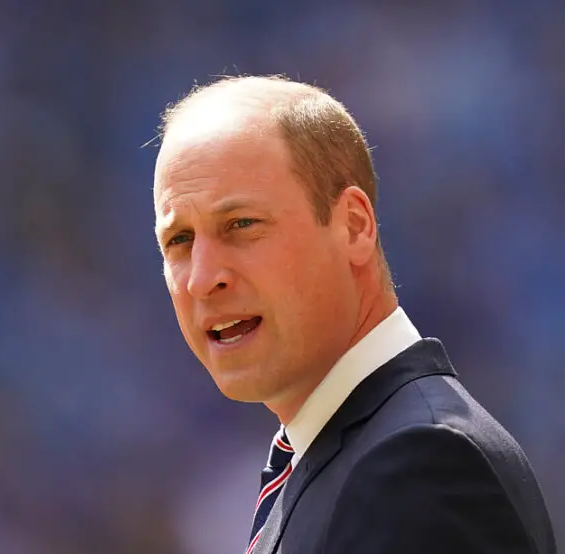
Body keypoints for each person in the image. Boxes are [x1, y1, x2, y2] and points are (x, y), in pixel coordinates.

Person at [152, 75, 556, 554]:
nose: (202, 278)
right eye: (179, 240)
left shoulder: (416, 466)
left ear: (354, 226)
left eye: (241, 224)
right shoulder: (345, 459)